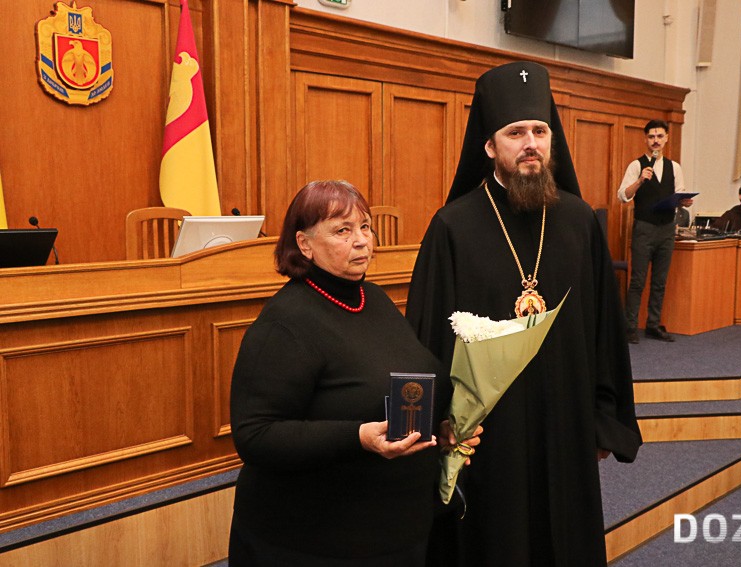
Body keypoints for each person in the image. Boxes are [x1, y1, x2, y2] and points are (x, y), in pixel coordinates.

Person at [406, 61, 642, 567]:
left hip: (567, 421)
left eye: (540, 131)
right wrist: (440, 423)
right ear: (490, 146)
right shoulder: (452, 227)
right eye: (516, 133)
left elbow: (605, 330)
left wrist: (604, 418)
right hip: (489, 436)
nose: (530, 143)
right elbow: (427, 337)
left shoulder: (579, 221)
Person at [228, 180, 476, 566]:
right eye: (342, 231)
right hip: (314, 545)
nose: (362, 241)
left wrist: (438, 430)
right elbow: (255, 435)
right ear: (304, 244)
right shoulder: (286, 321)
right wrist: (358, 437)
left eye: (365, 226)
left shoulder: (372, 298)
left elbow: (401, 385)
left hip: (397, 533)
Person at [618, 119, 693, 344]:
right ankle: (630, 327)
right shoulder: (636, 165)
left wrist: (684, 201)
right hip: (644, 228)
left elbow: (679, 193)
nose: (655, 141)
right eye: (651, 137)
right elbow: (623, 195)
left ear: (666, 138)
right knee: (638, 281)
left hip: (667, 229)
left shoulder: (674, 167)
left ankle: (653, 324)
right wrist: (640, 181)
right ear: (645, 139)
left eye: (660, 136)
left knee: (660, 281)